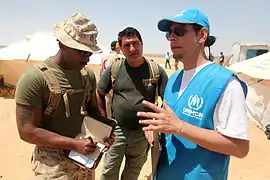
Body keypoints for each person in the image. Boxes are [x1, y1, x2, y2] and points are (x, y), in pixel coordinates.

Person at [137, 8, 249, 180]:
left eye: (179, 31)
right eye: (169, 33)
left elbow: (240, 147)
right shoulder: (173, 79)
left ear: (201, 35)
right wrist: (155, 131)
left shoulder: (225, 83)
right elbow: (169, 122)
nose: (172, 37)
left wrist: (180, 127)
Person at [15, 13, 114, 180]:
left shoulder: (86, 76)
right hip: (52, 165)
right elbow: (27, 131)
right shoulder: (34, 79)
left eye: (89, 52)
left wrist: (105, 131)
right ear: (62, 44)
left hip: (84, 159)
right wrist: (74, 144)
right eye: (80, 51)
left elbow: (92, 113)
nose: (86, 57)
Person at [97, 27, 168, 180]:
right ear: (120, 49)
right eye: (127, 45)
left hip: (143, 134)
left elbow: (167, 103)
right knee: (109, 172)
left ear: (142, 44)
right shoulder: (114, 69)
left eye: (136, 43)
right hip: (117, 132)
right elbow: (100, 93)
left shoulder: (156, 71)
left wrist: (155, 124)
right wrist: (104, 120)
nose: (132, 49)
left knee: (132, 173)